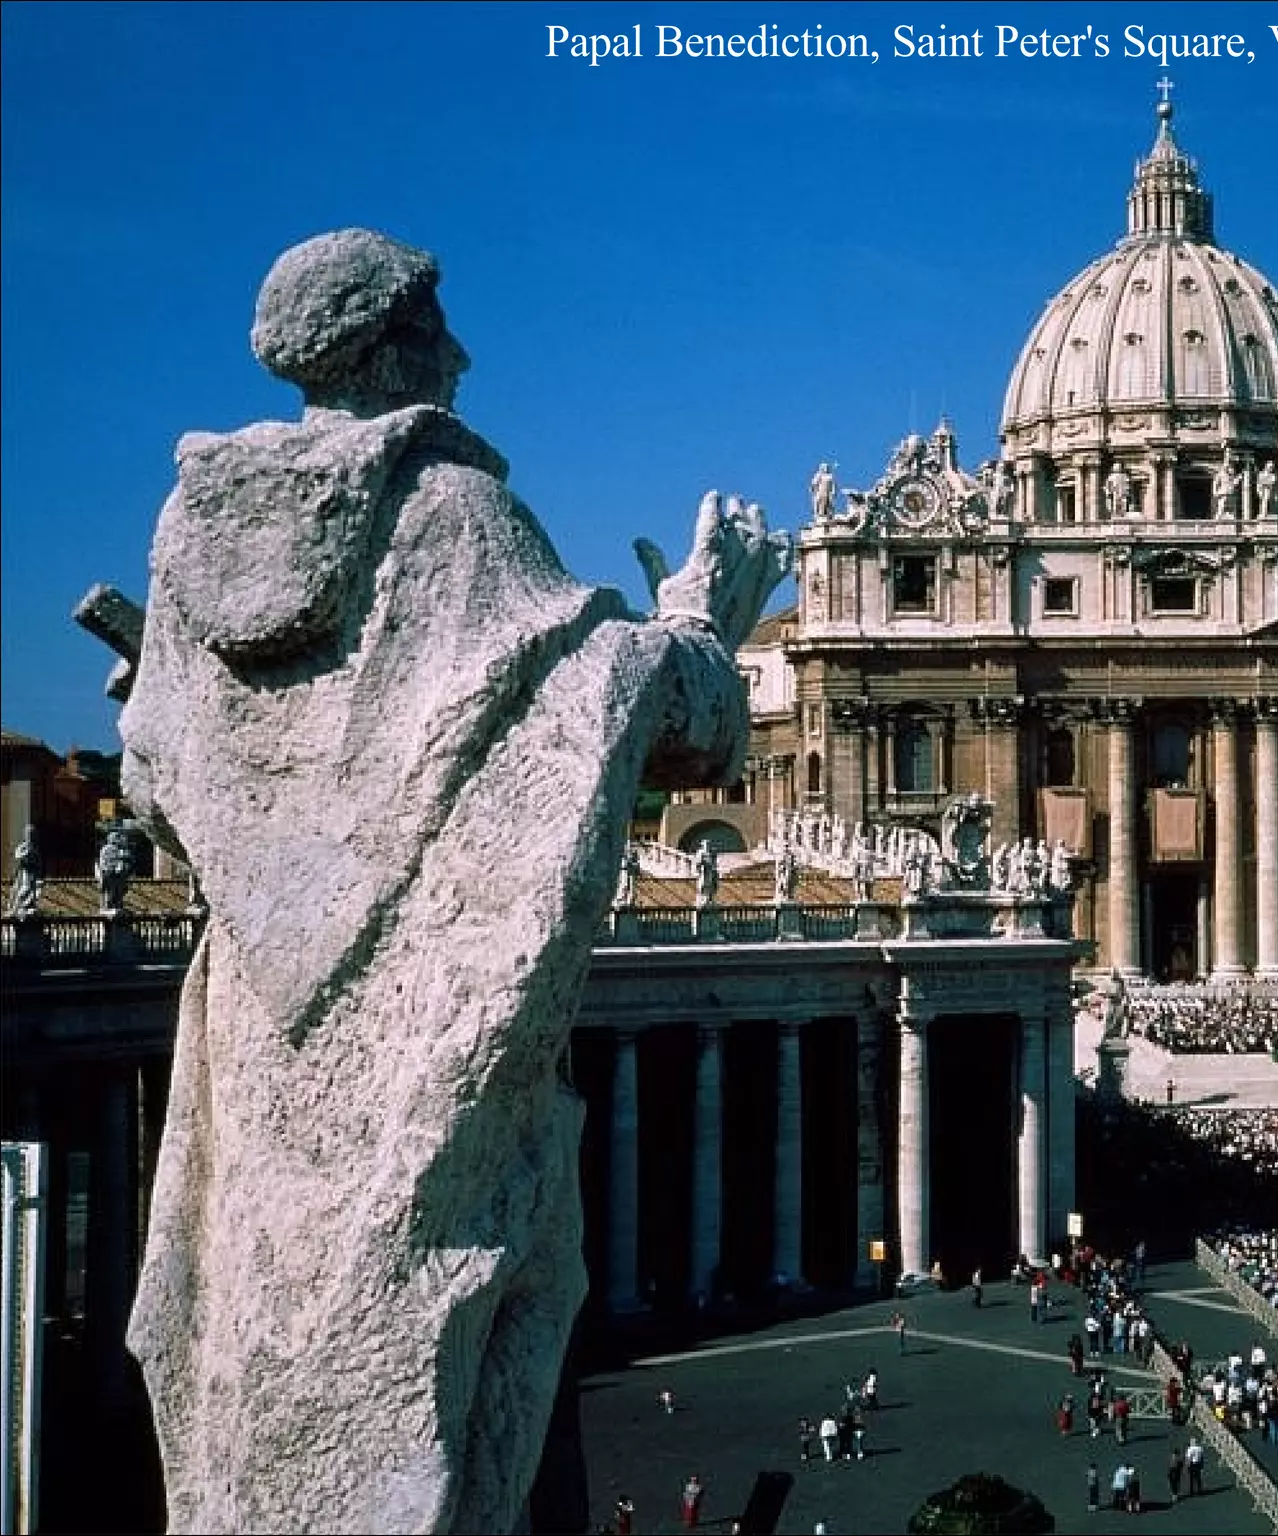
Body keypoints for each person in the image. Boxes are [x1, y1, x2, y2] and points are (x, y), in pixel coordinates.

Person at [113, 228, 788, 1536]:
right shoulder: (452, 515)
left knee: (258, 1349)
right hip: (412, 1033)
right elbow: (646, 706)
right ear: (390, 348)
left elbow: (151, 779)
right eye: (442, 330)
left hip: (265, 1027)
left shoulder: (182, 538)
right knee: (436, 1352)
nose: (465, 356)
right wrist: (708, 615)